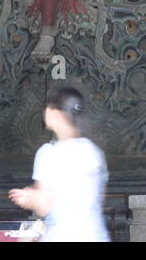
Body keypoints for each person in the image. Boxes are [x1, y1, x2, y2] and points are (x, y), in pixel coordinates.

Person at [10, 87, 110, 242]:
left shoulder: (49, 153)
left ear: (57, 114)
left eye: (48, 107)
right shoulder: (93, 151)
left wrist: (29, 198)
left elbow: (43, 206)